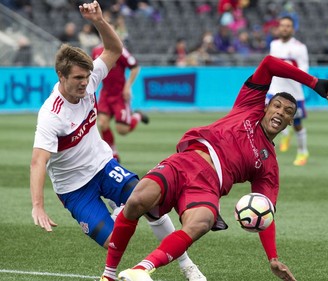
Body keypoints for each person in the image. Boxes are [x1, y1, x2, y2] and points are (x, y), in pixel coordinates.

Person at [99, 55, 328, 281]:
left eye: (288, 112)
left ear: (290, 122)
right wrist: (314, 83)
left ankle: (141, 269)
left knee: (202, 221)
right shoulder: (249, 106)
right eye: (278, 106)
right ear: (266, 107)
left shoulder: (268, 165)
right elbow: (270, 63)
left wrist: (272, 257)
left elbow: (266, 210)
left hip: (207, 186)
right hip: (186, 162)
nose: (281, 112)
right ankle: (108, 276)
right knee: (137, 201)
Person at [29, 2, 206, 281]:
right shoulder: (52, 115)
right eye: (77, 78)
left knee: (151, 202)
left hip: (103, 164)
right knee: (114, 240)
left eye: (87, 77)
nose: (84, 84)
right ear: (61, 76)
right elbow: (39, 161)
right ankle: (119, 219)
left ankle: (187, 266)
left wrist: (99, 21)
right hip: (74, 189)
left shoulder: (90, 81)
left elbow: (113, 50)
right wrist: (38, 204)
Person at [92, 37, 148, 162]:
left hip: (120, 95)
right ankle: (113, 153)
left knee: (122, 130)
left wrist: (127, 86)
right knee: (102, 123)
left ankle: (137, 116)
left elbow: (135, 67)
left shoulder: (120, 50)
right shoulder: (96, 51)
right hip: (106, 93)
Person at [267, 16, 310, 166]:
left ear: (293, 29)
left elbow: (304, 70)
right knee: (266, 121)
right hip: (274, 91)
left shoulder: (299, 47)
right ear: (278, 27)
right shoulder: (274, 45)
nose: (284, 28)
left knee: (297, 124)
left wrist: (288, 71)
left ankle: (303, 151)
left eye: (288, 26)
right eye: (282, 25)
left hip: (294, 94)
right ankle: (270, 155)